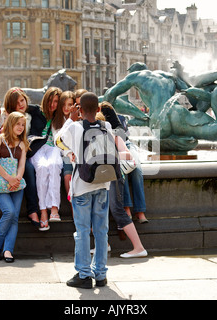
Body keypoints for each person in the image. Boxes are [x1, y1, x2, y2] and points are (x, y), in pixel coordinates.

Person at [56, 92, 131, 289]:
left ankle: (83, 274)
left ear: (79, 109)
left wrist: (70, 120)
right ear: (98, 109)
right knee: (101, 231)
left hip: (82, 185)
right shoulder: (106, 125)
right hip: (103, 184)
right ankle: (101, 274)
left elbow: (58, 142)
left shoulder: (75, 127)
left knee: (82, 232)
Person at [99, 101, 147, 258]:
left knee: (117, 209)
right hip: (106, 176)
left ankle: (139, 248)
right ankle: (103, 245)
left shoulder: (112, 134)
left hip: (114, 175)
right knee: (101, 210)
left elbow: (127, 155)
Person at [0, 112, 29, 263]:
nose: (20, 127)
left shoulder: (22, 143)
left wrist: (17, 179)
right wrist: (9, 179)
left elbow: (22, 165)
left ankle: (8, 250)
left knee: (14, 218)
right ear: (10, 123)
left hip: (16, 185)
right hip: (0, 183)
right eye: (18, 124)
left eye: (23, 125)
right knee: (9, 212)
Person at [3, 88, 40, 228]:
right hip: (6, 156)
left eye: (22, 100)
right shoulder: (6, 117)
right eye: (17, 103)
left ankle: (32, 210)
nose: (21, 104)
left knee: (29, 170)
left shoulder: (30, 116)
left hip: (23, 154)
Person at [29, 87, 63, 230]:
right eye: (50, 100)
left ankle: (54, 208)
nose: (53, 104)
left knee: (54, 165)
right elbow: (17, 105)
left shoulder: (60, 116)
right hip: (37, 147)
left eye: (56, 101)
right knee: (42, 168)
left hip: (53, 148)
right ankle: (43, 210)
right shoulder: (36, 111)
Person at [53, 90, 77, 203]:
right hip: (65, 154)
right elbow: (58, 142)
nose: (66, 108)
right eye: (64, 105)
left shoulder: (78, 118)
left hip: (78, 152)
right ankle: (72, 208)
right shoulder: (57, 121)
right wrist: (68, 153)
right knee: (67, 175)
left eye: (70, 104)